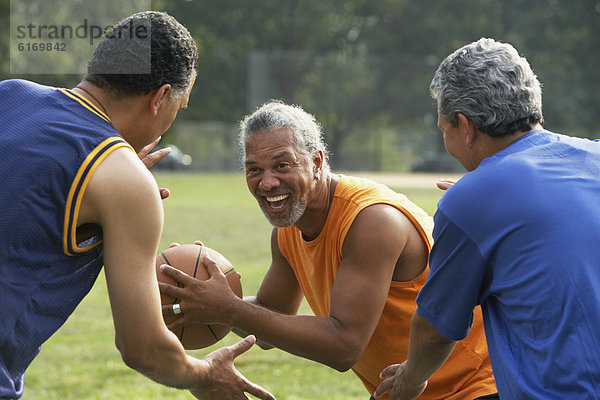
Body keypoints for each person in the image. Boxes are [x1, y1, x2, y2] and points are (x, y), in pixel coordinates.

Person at [0, 11, 273, 400]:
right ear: (161, 98)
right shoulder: (121, 178)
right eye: (180, 106)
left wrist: (112, 179)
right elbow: (143, 349)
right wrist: (204, 374)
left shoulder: (10, 93)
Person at [158, 100, 498, 399]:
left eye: (282, 165)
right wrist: (198, 296)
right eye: (254, 170)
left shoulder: (372, 220)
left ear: (317, 162)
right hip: (406, 391)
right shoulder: (289, 231)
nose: (267, 182)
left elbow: (344, 346)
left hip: (479, 386)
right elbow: (269, 320)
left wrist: (227, 309)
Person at [374, 38, 600, 400]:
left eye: (443, 129)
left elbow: (436, 331)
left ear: (466, 127)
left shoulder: (474, 199)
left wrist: (409, 381)